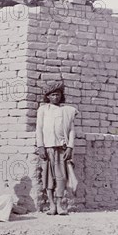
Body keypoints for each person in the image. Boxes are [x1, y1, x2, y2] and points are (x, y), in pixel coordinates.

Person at [36, 81, 78, 215]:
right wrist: (41, 146)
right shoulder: (43, 110)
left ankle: (60, 205)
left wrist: (70, 147)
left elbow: (71, 130)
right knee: (48, 177)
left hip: (62, 148)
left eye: (58, 95)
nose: (56, 97)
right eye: (53, 95)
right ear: (48, 96)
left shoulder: (66, 111)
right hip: (47, 148)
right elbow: (39, 129)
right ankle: (51, 205)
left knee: (61, 177)